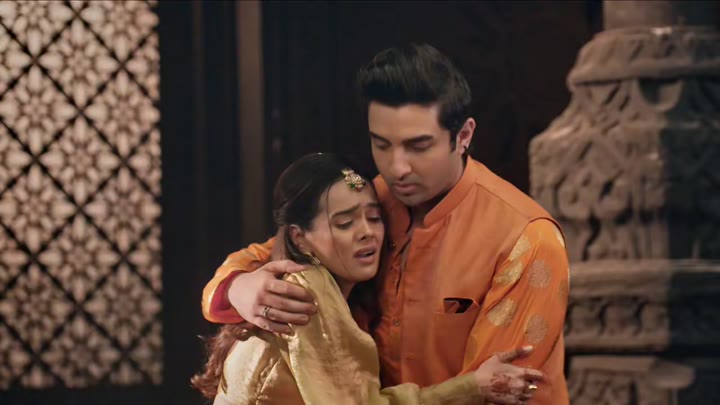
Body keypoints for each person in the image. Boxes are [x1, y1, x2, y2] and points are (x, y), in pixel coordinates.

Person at [201, 44, 570, 404]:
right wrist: (239, 289)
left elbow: (492, 392)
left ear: (463, 137)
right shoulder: (371, 201)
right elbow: (273, 254)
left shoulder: (525, 239)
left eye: (418, 146)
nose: (397, 168)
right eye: (382, 144)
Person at [192, 153, 543, 404]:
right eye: (345, 223)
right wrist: (473, 387)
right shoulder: (305, 292)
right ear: (300, 238)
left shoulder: (318, 287)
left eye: (374, 218)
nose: (367, 233)